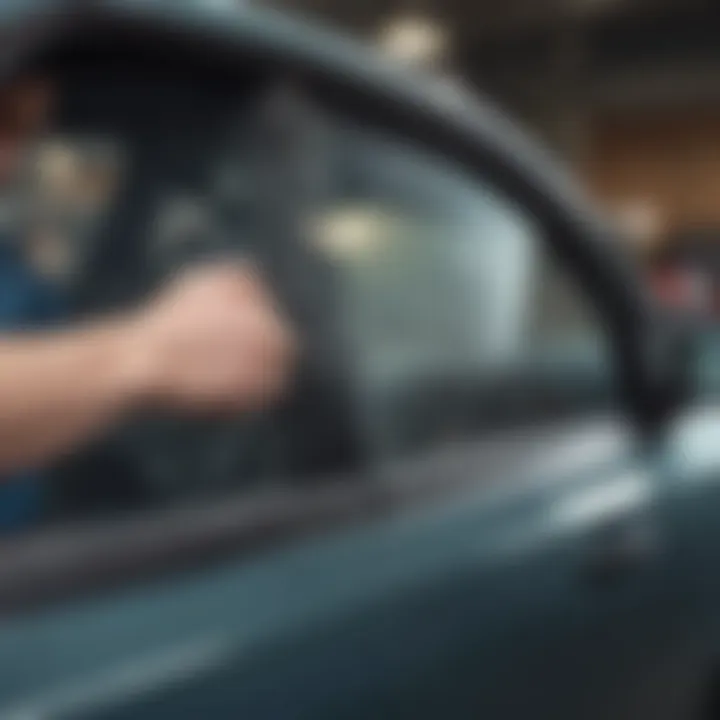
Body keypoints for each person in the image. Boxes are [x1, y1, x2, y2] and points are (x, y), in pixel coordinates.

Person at [0, 74, 295, 481]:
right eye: (4, 118)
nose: (10, 160)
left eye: (25, 132)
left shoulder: (26, 281)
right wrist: (146, 354)